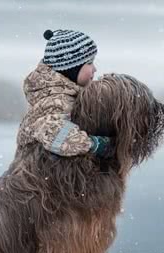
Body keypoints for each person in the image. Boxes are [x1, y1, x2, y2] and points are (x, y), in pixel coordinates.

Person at [16, 29, 111, 158]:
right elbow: (55, 137)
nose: (95, 69)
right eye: (89, 63)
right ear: (72, 69)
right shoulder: (57, 101)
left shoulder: (61, 94)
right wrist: (93, 144)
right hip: (41, 172)